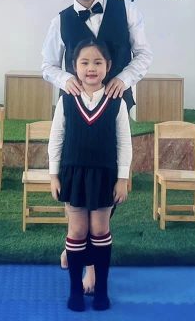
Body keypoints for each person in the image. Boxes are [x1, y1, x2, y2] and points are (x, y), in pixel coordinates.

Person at [41, 0, 153, 293]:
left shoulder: (126, 9)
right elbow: (48, 65)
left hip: (114, 103)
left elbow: (144, 54)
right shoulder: (59, 21)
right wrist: (65, 80)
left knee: (106, 181)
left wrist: (125, 79)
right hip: (76, 108)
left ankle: (88, 257)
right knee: (77, 179)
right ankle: (80, 248)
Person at [49, 38, 132, 311]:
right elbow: (56, 138)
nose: (91, 68)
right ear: (74, 66)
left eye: (97, 62)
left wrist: (122, 179)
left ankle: (101, 292)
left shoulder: (117, 102)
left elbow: (124, 143)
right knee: (77, 229)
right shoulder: (66, 100)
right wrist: (53, 175)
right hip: (73, 174)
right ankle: (75, 291)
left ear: (108, 66)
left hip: (105, 175)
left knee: (100, 229)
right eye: (84, 62)